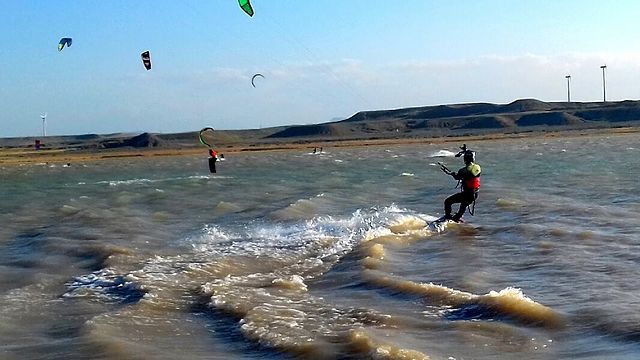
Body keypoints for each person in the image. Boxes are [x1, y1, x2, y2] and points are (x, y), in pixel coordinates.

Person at [440, 145, 481, 222]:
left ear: (465, 160)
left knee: (448, 201)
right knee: (464, 204)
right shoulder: (478, 167)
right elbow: (468, 175)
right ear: (473, 159)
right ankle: (457, 218)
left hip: (467, 194)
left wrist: (451, 174)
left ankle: (448, 217)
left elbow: (457, 177)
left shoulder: (463, 170)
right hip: (475, 194)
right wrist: (466, 151)